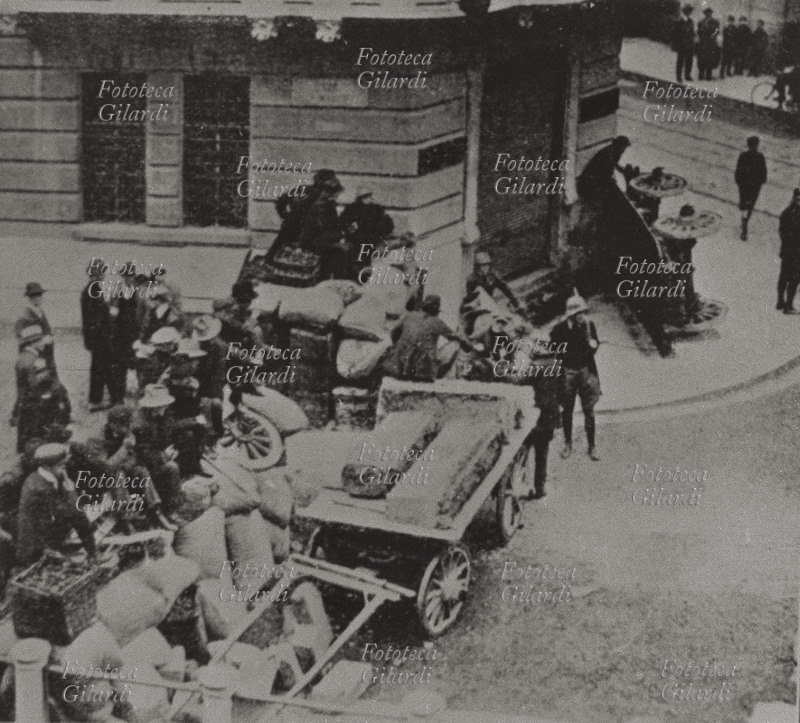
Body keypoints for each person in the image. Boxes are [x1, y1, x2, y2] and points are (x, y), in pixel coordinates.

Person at [16, 443, 97, 568]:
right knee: (78, 517)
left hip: (44, 535)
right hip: (36, 549)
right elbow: (75, 513)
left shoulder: (42, 477)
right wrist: (71, 491)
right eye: (61, 466)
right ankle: (93, 553)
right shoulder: (40, 488)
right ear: (47, 466)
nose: (64, 470)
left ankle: (90, 550)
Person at [551, 293, 601, 461]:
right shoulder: (559, 330)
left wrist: (593, 344)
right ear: (570, 314)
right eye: (578, 313)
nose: (581, 316)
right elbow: (554, 349)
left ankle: (592, 446)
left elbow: (594, 345)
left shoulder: (588, 325)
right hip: (568, 373)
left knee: (589, 410)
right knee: (567, 411)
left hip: (585, 371)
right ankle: (568, 443)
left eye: (583, 312)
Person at [383, 295, 474, 382]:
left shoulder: (408, 316)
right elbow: (459, 339)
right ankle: (442, 376)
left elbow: (393, 333)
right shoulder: (437, 322)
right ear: (436, 311)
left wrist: (403, 346)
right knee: (455, 345)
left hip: (399, 370)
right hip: (423, 374)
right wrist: (471, 347)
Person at [132, 384, 182, 514]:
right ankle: (162, 511)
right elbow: (143, 452)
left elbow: (170, 434)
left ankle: (172, 507)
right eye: (161, 406)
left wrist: (174, 449)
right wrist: (164, 456)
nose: (164, 408)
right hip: (143, 466)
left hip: (157, 459)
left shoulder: (161, 416)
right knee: (172, 468)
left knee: (173, 467)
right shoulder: (140, 423)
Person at [524, 341, 561, 499]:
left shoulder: (534, 366)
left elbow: (521, 382)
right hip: (550, 415)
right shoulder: (557, 364)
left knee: (524, 451)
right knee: (542, 454)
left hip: (535, 413)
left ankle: (522, 484)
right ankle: (540, 488)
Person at [339, 188, 395, 280]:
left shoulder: (377, 209)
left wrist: (381, 233)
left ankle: (364, 273)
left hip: (371, 240)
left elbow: (388, 224)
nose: (370, 199)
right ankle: (355, 273)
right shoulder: (351, 209)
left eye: (370, 196)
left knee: (367, 258)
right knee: (355, 260)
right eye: (367, 197)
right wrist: (350, 229)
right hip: (355, 240)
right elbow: (343, 223)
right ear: (361, 198)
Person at [298, 173, 346, 279]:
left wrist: (341, 231)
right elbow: (320, 230)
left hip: (323, 241)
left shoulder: (329, 205)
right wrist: (337, 240)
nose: (337, 196)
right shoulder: (320, 207)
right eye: (336, 194)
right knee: (339, 255)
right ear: (329, 194)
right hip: (314, 244)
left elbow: (333, 224)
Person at [81, 263, 114, 411]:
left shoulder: (91, 289)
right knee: (99, 369)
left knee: (98, 368)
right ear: (95, 275)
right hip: (99, 339)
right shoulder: (92, 291)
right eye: (101, 273)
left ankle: (97, 398)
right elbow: (96, 318)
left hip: (96, 338)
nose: (103, 276)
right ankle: (96, 400)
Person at [15, 325, 51, 453]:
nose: (43, 343)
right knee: (33, 435)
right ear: (33, 342)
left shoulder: (25, 357)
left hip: (25, 403)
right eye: (40, 341)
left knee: (26, 434)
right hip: (33, 404)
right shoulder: (33, 360)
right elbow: (33, 385)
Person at [14, 282, 56, 374]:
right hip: (34, 351)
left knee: (47, 377)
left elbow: (46, 328)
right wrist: (30, 348)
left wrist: (49, 335)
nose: (39, 297)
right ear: (30, 297)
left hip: (45, 349)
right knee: (37, 377)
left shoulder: (39, 310)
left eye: (40, 295)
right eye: (35, 295)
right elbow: (19, 331)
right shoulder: (26, 312)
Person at [576, 136, 631, 201]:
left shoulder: (615, 152)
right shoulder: (608, 153)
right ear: (617, 145)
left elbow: (613, 164)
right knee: (612, 191)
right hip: (591, 180)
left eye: (624, 147)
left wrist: (621, 169)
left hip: (598, 176)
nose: (623, 150)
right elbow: (606, 172)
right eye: (622, 147)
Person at [734, 136, 767, 240]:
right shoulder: (760, 157)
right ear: (757, 145)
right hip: (755, 186)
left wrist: (739, 182)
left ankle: (744, 222)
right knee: (750, 206)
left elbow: (738, 171)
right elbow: (763, 174)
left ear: (748, 145)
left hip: (744, 186)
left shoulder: (743, 156)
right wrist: (760, 182)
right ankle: (745, 222)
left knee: (744, 204)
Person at [192, 315, 227, 400]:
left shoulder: (220, 347)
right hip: (199, 379)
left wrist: (216, 396)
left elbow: (219, 372)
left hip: (213, 382)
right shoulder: (196, 344)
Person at [777, 189, 800, 314]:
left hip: (786, 250)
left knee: (783, 276)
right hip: (797, 253)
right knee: (794, 280)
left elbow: (782, 232)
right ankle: (788, 306)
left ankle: (780, 301)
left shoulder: (786, 212)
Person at [672, 4, 696, 82]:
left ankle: (687, 75)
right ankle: (679, 76)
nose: (688, 12)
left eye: (689, 11)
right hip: (682, 44)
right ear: (684, 12)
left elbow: (692, 32)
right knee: (680, 61)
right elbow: (674, 33)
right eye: (687, 11)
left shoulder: (691, 21)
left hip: (689, 44)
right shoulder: (679, 21)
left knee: (689, 61)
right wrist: (676, 44)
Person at [697, 7, 720, 81]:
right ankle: (701, 75)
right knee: (701, 59)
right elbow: (698, 31)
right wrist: (702, 37)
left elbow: (717, 31)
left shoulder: (715, 22)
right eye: (706, 13)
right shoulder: (701, 22)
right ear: (705, 14)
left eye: (709, 13)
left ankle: (708, 76)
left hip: (711, 43)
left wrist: (713, 35)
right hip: (703, 43)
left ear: (711, 14)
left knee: (710, 59)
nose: (708, 14)